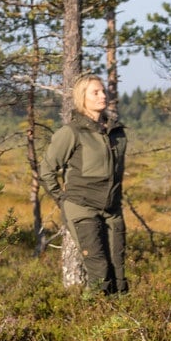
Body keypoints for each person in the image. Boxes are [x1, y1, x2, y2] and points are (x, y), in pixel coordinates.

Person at [40, 72, 127, 295]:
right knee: (100, 271)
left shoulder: (117, 133)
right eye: (95, 92)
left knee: (118, 271)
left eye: (103, 91)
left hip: (112, 210)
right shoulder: (71, 132)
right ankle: (93, 320)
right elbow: (47, 169)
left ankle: (120, 323)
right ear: (82, 98)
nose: (102, 95)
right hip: (82, 209)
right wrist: (63, 199)